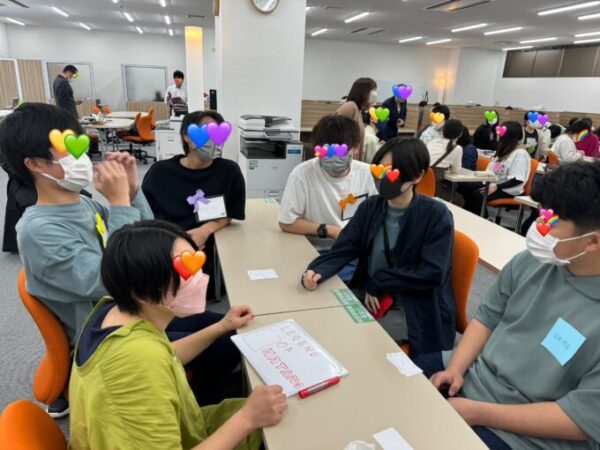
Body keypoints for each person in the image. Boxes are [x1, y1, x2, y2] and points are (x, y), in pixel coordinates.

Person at [415, 161, 600, 450]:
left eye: (551, 221)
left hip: (523, 432)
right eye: (541, 214)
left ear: (593, 242)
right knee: (392, 383)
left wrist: (477, 412)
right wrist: (455, 368)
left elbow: (580, 419)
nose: (538, 228)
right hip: (475, 377)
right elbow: (487, 317)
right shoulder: (533, 261)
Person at [69, 220, 287, 450]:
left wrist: (222, 326)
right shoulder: (136, 361)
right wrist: (247, 419)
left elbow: (167, 354)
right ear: (142, 290)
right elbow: (147, 362)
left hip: (186, 425)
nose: (199, 278)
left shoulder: (114, 312)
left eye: (197, 262)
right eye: (186, 271)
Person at [0, 103, 154, 417]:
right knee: (221, 349)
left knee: (222, 332)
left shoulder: (85, 206)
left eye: (81, 146)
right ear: (34, 163)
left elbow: (148, 240)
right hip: (106, 340)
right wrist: (119, 204)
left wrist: (132, 192)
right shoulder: (37, 231)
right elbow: (110, 280)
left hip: (130, 314)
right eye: (68, 150)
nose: (82, 158)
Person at [302, 138, 456, 354]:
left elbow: (433, 272)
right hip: (369, 292)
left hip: (410, 304)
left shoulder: (436, 216)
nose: (382, 177)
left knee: (359, 342)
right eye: (378, 170)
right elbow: (345, 247)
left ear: (417, 175)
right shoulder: (371, 207)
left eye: (391, 170)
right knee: (324, 323)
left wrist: (381, 281)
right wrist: (317, 270)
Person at [142, 110, 245, 300]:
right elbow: (144, 219)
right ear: (186, 136)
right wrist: (177, 244)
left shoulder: (229, 172)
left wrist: (205, 230)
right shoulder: (160, 173)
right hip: (166, 252)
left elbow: (230, 212)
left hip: (207, 253)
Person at [278, 115, 376, 281]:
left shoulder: (368, 175)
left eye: (340, 150)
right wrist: (330, 231)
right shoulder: (302, 174)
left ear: (356, 148)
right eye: (326, 150)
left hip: (353, 252)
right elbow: (286, 222)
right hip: (314, 249)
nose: (333, 157)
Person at [461, 121, 530, 217]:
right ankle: (470, 215)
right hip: (494, 182)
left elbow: (517, 180)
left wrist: (496, 186)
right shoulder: (505, 148)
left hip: (508, 189)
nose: (497, 134)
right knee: (464, 186)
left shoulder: (520, 153)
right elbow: (493, 170)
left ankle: (484, 219)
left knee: (477, 194)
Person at [337, 77, 377, 160]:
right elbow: (334, 130)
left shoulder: (358, 110)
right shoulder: (350, 106)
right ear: (363, 92)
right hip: (344, 159)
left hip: (353, 160)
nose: (375, 94)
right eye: (373, 90)